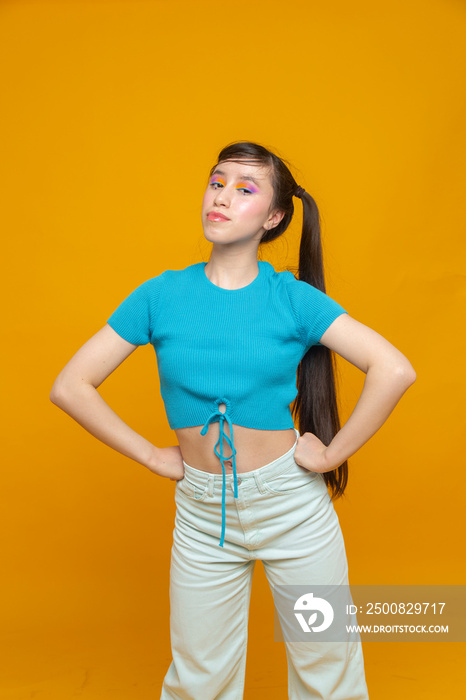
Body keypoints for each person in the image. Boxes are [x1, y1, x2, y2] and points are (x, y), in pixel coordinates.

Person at [50, 141, 416, 699]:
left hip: (291, 506)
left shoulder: (291, 298)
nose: (221, 196)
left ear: (273, 217)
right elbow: (70, 386)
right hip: (202, 515)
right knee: (199, 680)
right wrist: (150, 454)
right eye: (216, 182)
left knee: (328, 670)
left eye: (244, 189)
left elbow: (393, 369)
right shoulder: (161, 295)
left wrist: (331, 454)